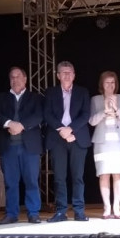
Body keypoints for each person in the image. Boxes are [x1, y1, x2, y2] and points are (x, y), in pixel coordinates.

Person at [0, 67, 43, 225]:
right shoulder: (1, 97)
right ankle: (11, 214)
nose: (15, 80)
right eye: (12, 77)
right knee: (10, 183)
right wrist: (9, 123)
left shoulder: (35, 97)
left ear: (25, 79)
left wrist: (21, 125)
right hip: (9, 147)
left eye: (18, 76)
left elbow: (39, 115)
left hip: (30, 147)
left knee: (32, 181)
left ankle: (33, 213)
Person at [43, 61, 91, 222]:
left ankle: (79, 211)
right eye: (63, 72)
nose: (67, 75)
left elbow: (85, 114)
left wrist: (70, 129)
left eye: (70, 72)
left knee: (78, 177)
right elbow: (47, 114)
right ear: (58, 75)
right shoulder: (50, 92)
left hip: (77, 137)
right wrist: (62, 130)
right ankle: (61, 211)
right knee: (59, 177)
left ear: (74, 75)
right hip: (57, 138)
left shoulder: (82, 92)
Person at [89, 71, 120, 219]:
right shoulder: (95, 99)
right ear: (102, 84)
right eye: (107, 82)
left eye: (113, 82)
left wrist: (117, 110)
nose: (110, 85)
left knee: (118, 173)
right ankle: (107, 207)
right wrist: (104, 112)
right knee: (104, 174)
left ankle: (117, 207)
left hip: (119, 142)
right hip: (102, 142)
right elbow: (92, 121)